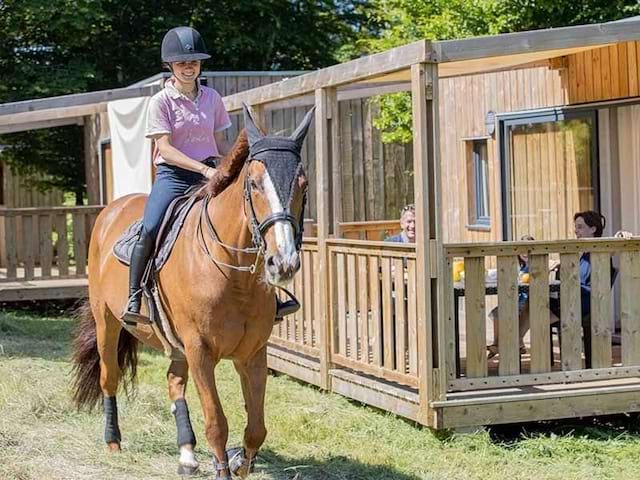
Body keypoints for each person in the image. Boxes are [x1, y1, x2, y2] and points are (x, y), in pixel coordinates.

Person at [122, 26, 300, 324]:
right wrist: (204, 168)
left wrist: (238, 164)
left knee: (249, 220)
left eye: (193, 62)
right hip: (174, 177)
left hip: (211, 175)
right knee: (151, 227)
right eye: (181, 63)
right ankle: (135, 297)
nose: (188, 67)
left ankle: (273, 295)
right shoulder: (161, 102)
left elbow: (218, 144)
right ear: (171, 66)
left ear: (200, 64)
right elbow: (164, 149)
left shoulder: (213, 98)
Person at [486, 235, 534, 359]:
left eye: (527, 250)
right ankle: (498, 344)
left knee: (504, 312)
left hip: (529, 302)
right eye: (521, 250)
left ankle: (502, 345)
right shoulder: (520, 266)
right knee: (497, 312)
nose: (524, 253)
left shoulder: (535, 265)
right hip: (518, 299)